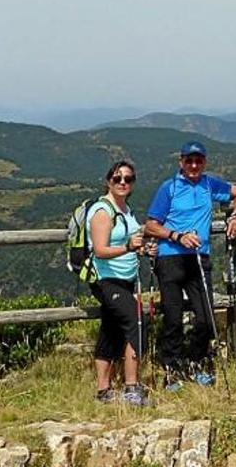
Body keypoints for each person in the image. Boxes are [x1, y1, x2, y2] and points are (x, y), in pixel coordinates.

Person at [144, 141, 236, 391]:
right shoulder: (169, 188)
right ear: (181, 162)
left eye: (198, 160)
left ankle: (196, 360)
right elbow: (150, 225)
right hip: (170, 258)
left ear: (204, 163)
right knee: (173, 318)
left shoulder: (209, 184)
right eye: (189, 160)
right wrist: (177, 236)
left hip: (200, 256)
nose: (193, 165)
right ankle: (172, 368)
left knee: (205, 318)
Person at [88, 160, 157, 406]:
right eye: (118, 178)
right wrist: (128, 247)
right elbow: (100, 250)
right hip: (107, 280)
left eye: (128, 179)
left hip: (124, 279)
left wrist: (140, 248)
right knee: (137, 321)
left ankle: (103, 391)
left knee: (111, 329)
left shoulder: (126, 210)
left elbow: (130, 242)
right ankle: (131, 388)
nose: (123, 183)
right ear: (109, 181)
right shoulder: (102, 211)